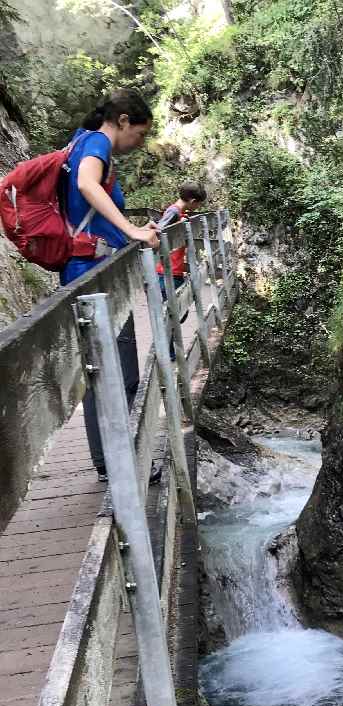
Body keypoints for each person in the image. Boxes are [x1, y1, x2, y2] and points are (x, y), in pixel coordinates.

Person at [60, 88, 160, 482]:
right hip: (94, 275)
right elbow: (87, 185)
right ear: (122, 121)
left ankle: (110, 463)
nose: (139, 143)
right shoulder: (97, 142)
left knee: (101, 370)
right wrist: (132, 230)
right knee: (118, 373)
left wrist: (130, 232)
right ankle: (125, 464)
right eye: (139, 133)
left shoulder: (80, 141)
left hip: (85, 272)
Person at [156, 183, 207, 357]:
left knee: (177, 312)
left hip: (174, 270)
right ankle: (167, 353)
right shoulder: (173, 212)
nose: (198, 208)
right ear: (192, 200)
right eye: (198, 204)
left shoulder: (179, 214)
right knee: (174, 313)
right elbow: (159, 231)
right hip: (166, 272)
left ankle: (169, 351)